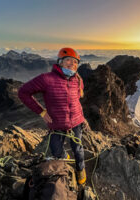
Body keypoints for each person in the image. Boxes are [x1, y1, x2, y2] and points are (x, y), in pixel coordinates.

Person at [18, 47, 86, 185]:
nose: (72, 64)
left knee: (78, 150)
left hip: (77, 122)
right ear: (60, 62)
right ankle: (63, 167)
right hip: (57, 124)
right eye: (68, 60)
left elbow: (76, 99)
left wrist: (80, 115)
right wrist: (41, 111)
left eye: (75, 62)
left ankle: (80, 170)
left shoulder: (77, 80)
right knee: (57, 153)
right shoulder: (46, 79)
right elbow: (23, 92)